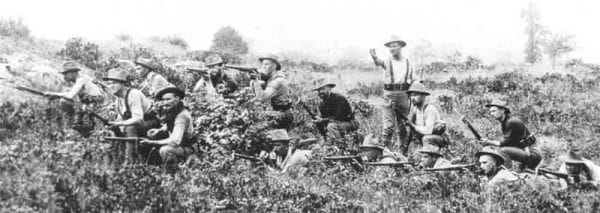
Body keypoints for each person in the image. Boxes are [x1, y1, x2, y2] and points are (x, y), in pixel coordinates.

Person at [369, 35, 418, 155]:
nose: (392, 49)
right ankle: (383, 152)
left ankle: (403, 154)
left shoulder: (408, 62)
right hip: (389, 96)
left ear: (401, 46)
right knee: (388, 127)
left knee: (403, 126)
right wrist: (375, 58)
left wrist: (415, 95)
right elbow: (378, 62)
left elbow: (414, 80)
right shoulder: (387, 61)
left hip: (404, 96)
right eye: (390, 46)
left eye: (394, 46)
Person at [104, 67, 160, 163]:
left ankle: (130, 161)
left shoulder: (133, 94)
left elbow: (138, 119)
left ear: (122, 84)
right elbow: (121, 117)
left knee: (130, 128)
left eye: (114, 83)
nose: (111, 86)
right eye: (109, 84)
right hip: (138, 124)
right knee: (112, 129)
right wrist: (113, 124)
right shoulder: (118, 100)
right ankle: (115, 159)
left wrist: (119, 124)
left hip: (151, 122)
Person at [141, 87, 195, 169]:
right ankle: (155, 167)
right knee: (154, 137)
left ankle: (173, 173)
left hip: (187, 148)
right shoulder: (174, 112)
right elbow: (170, 124)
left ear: (177, 99)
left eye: (168, 99)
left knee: (165, 150)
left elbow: (175, 141)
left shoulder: (182, 116)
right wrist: (159, 130)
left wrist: (152, 142)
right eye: (163, 100)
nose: (165, 103)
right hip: (180, 145)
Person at [45, 61, 105, 135]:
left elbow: (71, 95)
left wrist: (56, 95)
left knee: (64, 102)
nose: (64, 77)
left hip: (94, 103)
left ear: (72, 73)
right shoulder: (82, 78)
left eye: (65, 74)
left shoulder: (81, 80)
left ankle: (75, 124)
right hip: (89, 103)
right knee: (78, 123)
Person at [479, 100, 542, 170]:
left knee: (502, 151)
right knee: (498, 150)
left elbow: (505, 143)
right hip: (527, 151)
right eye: (490, 112)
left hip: (532, 154)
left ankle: (507, 172)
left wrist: (489, 142)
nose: (491, 114)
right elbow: (512, 142)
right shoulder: (506, 121)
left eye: (494, 111)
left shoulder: (511, 122)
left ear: (502, 111)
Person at [251, 54, 293, 130]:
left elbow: (261, 98)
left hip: (281, 115)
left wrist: (255, 81)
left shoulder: (278, 81)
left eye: (267, 64)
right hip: (280, 112)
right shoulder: (273, 78)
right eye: (263, 64)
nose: (263, 66)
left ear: (274, 66)